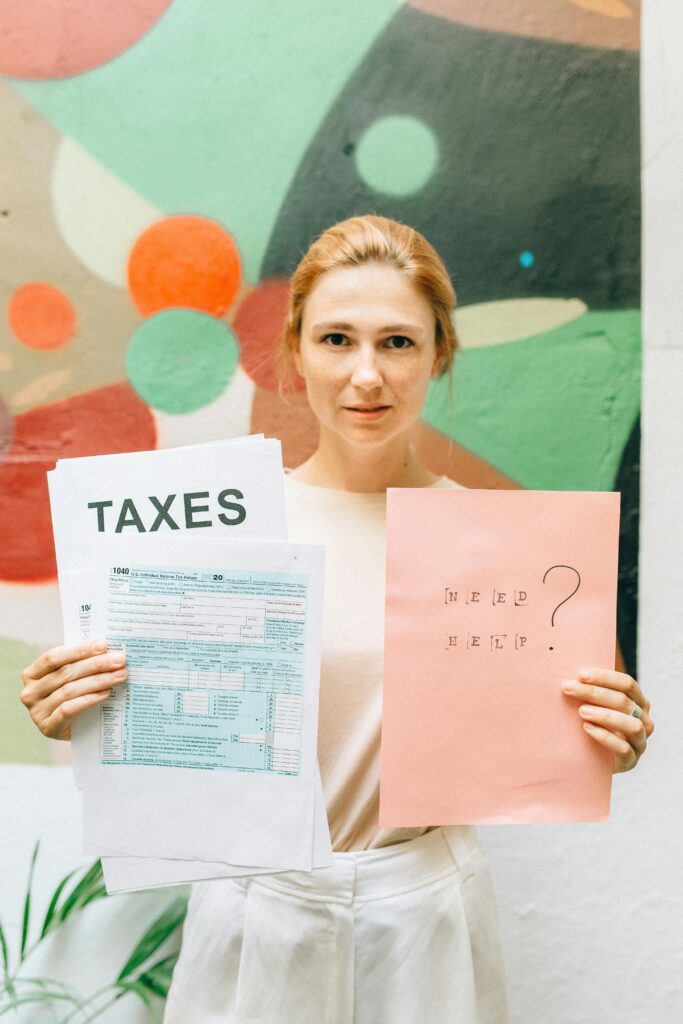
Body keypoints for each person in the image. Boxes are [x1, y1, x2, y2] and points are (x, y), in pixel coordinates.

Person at [19, 215, 654, 1023]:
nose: (366, 375)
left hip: (427, 913)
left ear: (439, 353)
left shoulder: (509, 550)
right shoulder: (225, 532)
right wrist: (77, 710)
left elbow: (542, 732)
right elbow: (158, 718)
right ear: (294, 353)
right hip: (256, 909)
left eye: (397, 342)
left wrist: (604, 738)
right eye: (335, 340)